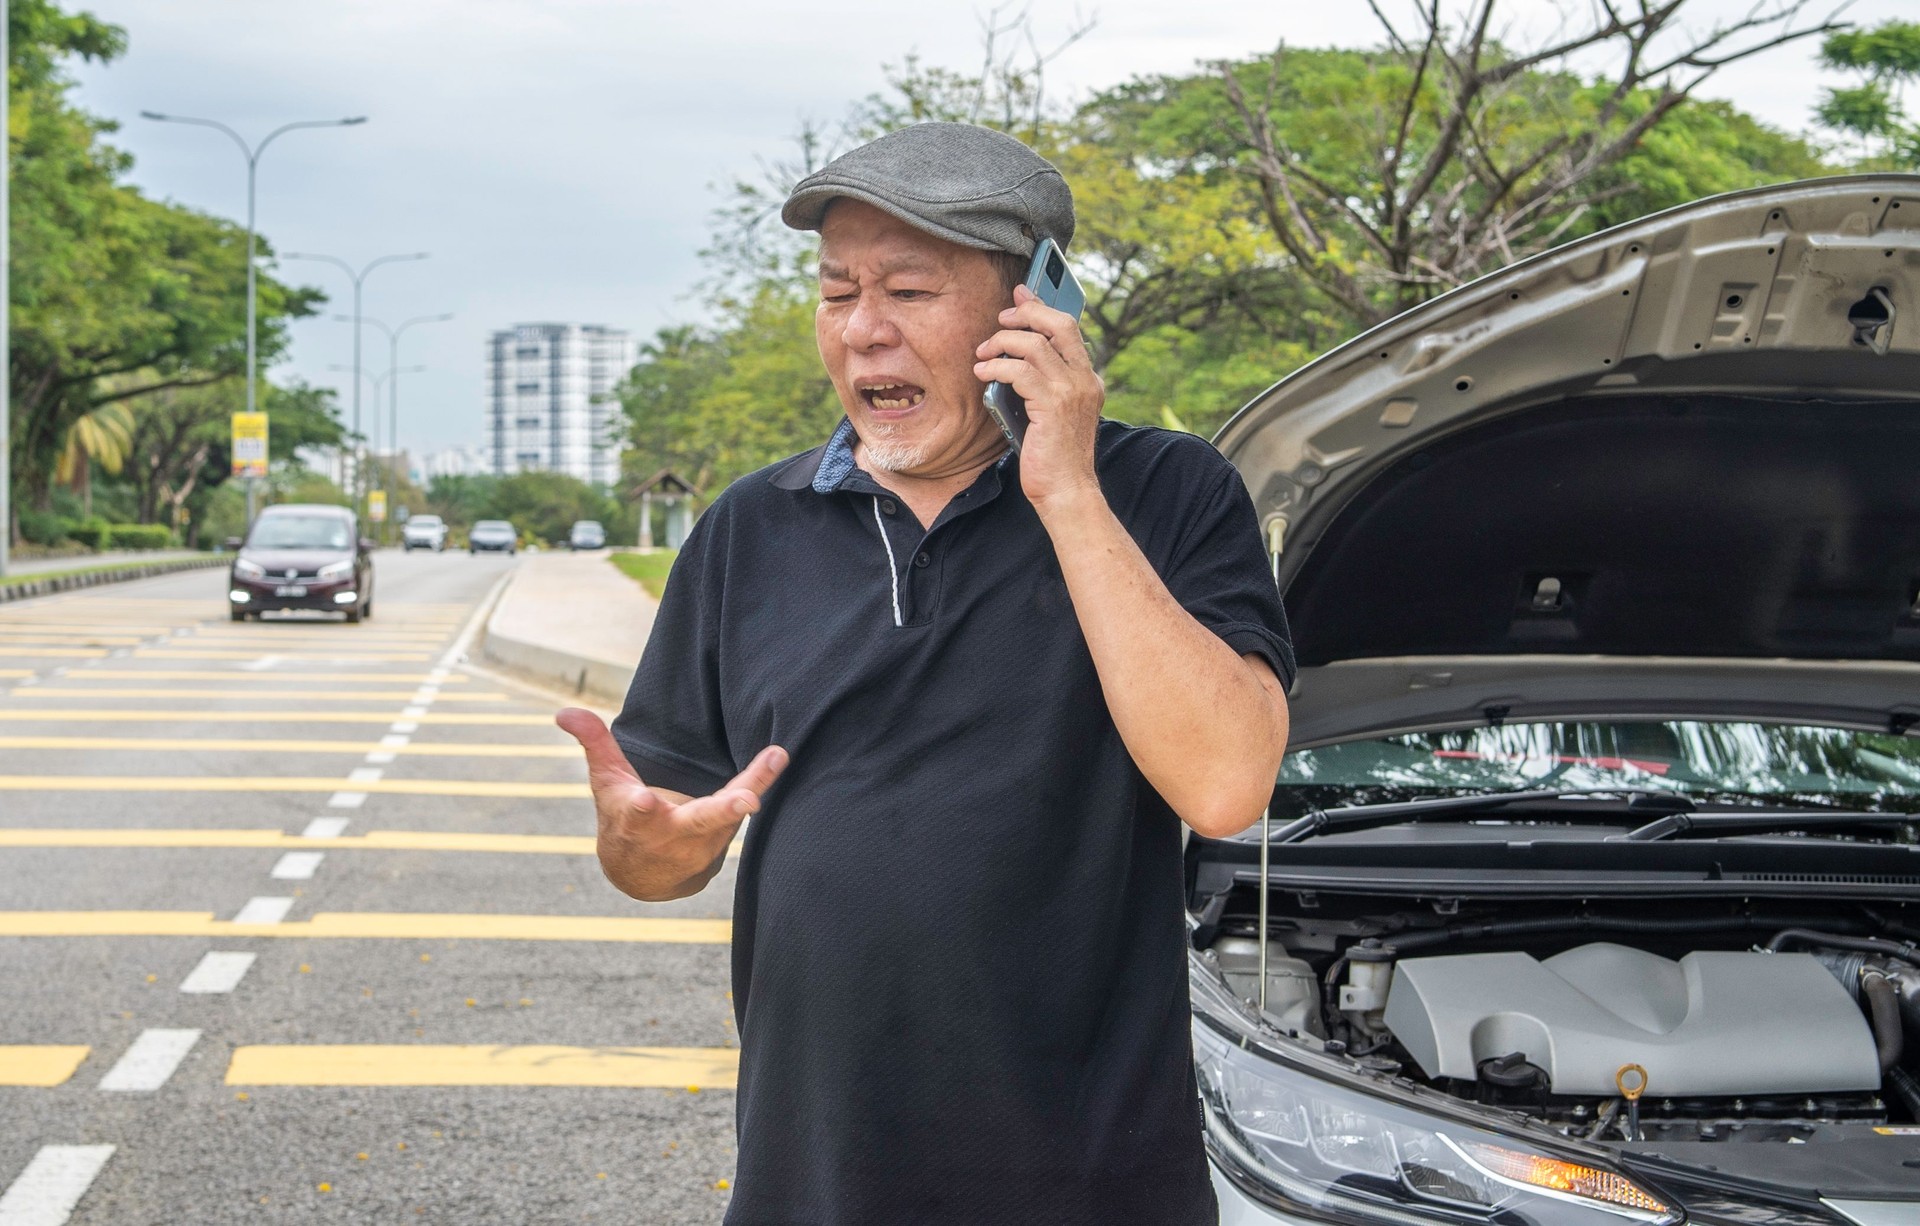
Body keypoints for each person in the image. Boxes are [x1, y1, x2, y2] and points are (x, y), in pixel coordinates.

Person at [559, 122, 1293, 1225]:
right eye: (836, 291)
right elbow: (657, 852)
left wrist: (1069, 492)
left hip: (1088, 1179)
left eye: (908, 288)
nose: (863, 332)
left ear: (1032, 308)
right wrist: (643, 845)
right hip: (813, 1175)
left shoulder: (1163, 492)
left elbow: (1228, 780)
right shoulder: (751, 528)